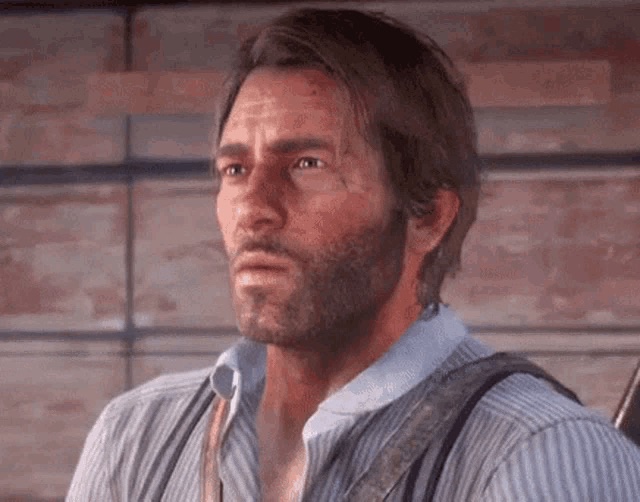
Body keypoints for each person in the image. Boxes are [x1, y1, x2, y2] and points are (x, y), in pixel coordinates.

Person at [67, 8, 640, 501]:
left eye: (307, 165)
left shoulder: (540, 453)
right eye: (235, 169)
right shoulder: (134, 439)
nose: (253, 209)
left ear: (427, 217)